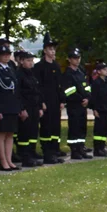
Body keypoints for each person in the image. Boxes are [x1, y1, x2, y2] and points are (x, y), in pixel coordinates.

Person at [33, 34, 64, 164]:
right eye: (50, 49)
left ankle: (55, 150)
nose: (53, 51)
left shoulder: (56, 66)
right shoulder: (39, 66)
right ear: (45, 50)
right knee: (46, 127)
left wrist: (62, 100)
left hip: (56, 101)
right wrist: (41, 102)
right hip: (46, 102)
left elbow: (59, 84)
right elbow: (38, 86)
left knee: (55, 127)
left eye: (54, 49)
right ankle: (47, 153)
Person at [0, 44, 20, 172]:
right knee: (2, 134)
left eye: (8, 54)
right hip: (2, 105)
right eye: (3, 55)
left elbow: (15, 88)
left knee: (10, 134)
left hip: (12, 105)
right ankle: (3, 161)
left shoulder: (10, 69)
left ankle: (9, 160)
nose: (6, 57)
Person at [62, 46, 92, 160]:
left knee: (82, 127)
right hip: (74, 105)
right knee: (74, 127)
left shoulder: (81, 72)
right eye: (74, 58)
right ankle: (74, 150)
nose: (77, 60)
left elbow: (87, 87)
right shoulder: (67, 74)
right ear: (69, 59)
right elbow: (69, 91)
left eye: (78, 57)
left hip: (83, 105)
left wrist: (88, 98)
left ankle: (81, 148)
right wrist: (81, 99)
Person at [15, 50, 43, 168]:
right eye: (28, 60)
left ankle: (32, 154)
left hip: (34, 107)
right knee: (24, 134)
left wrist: (40, 106)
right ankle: (25, 157)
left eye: (32, 60)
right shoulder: (19, 74)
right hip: (25, 107)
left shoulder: (31, 74)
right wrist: (22, 109)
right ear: (21, 61)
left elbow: (37, 91)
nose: (31, 63)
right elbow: (18, 93)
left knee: (33, 132)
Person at [90, 60, 107, 157]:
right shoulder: (96, 83)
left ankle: (102, 148)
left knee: (104, 130)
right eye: (104, 69)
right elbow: (93, 97)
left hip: (106, 109)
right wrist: (94, 109)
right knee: (99, 130)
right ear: (99, 71)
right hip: (99, 109)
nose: (106, 70)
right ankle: (97, 149)